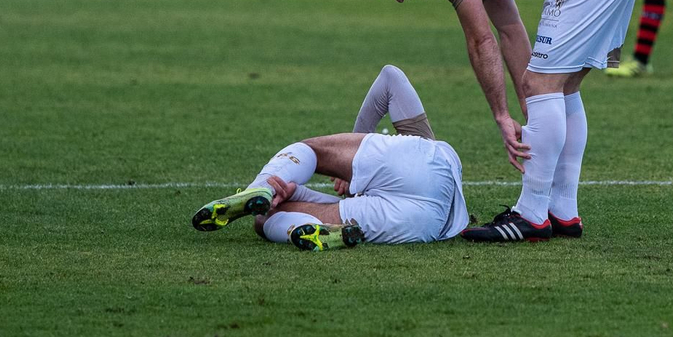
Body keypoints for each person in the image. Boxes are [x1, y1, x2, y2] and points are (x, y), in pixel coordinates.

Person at [356, 0, 640, 242]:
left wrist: (502, 115)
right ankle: (563, 212)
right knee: (560, 89)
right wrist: (528, 104)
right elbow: (508, 28)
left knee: (543, 85)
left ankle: (532, 215)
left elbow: (481, 40)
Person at [190, 65, 468, 250]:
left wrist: (354, 153)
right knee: (270, 216)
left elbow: (390, 75)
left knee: (309, 151)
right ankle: (309, 228)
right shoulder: (427, 147)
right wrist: (295, 192)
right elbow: (392, 77)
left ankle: (261, 185)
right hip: (430, 223)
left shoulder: (419, 144)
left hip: (411, 192)